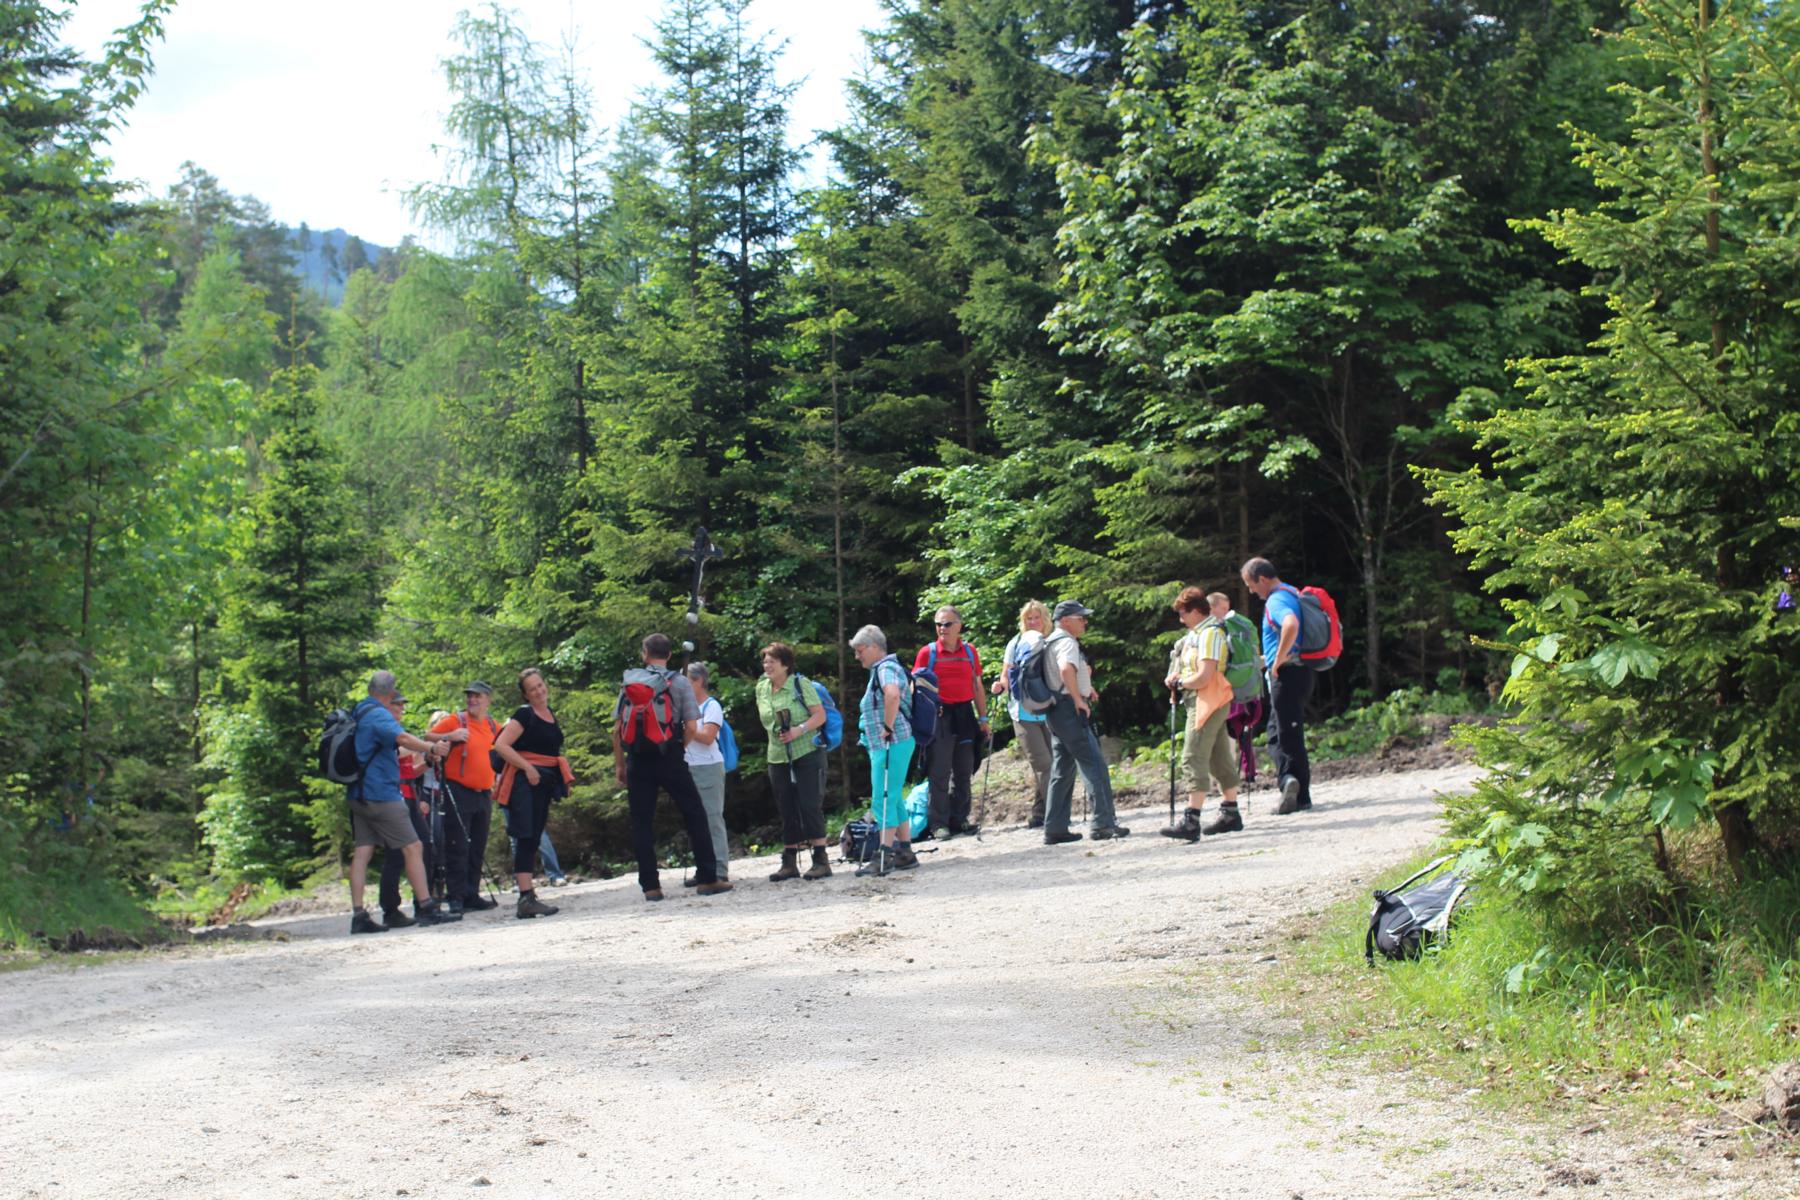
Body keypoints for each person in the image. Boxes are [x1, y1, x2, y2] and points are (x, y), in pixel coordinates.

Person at [611, 634, 732, 901]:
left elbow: (618, 729)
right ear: (668, 655)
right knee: (695, 814)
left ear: (644, 654)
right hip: (670, 756)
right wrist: (681, 748)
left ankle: (651, 886)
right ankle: (708, 878)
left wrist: (620, 764)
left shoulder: (630, 682)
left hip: (637, 759)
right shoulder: (679, 682)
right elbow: (691, 726)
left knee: (642, 822)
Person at [345, 671, 461, 933]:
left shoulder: (360, 710)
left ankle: (359, 915)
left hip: (358, 793)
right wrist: (431, 747)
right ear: (390, 692)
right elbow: (402, 739)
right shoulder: (378, 714)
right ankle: (427, 907)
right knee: (413, 846)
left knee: (363, 851)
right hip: (381, 793)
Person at [1039, 601, 1129, 844]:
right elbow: (1065, 670)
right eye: (1081, 618)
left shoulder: (1050, 641)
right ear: (1065, 620)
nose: (1085, 622)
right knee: (1094, 765)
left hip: (1055, 711)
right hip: (1069, 710)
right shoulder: (1066, 642)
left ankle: (1055, 828)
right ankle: (1103, 824)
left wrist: (1086, 688)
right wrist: (1079, 700)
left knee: (1062, 770)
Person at [1160, 586, 1245, 840]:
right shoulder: (1199, 634)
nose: (1181, 619)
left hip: (1207, 699)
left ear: (1196, 611)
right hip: (1208, 699)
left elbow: (1205, 676)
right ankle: (1230, 813)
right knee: (1219, 757)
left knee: (1193, 755)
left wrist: (1180, 683)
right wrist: (1179, 676)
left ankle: (1191, 820)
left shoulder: (1210, 634)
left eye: (1183, 613)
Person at [493, 667, 574, 918]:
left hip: (543, 781)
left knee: (534, 834)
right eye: (532, 689)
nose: (539, 691)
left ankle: (528, 898)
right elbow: (501, 745)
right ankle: (526, 898)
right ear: (525, 695)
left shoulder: (549, 713)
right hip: (525, 783)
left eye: (540, 685)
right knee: (526, 836)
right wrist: (527, 767)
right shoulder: (524, 714)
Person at [755, 642, 832, 881]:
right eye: (765, 661)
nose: (767, 665)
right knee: (786, 806)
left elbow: (820, 715)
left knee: (809, 804)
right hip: (777, 755)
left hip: (807, 751)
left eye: (772, 661)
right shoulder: (761, 688)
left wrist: (799, 730)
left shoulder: (800, 684)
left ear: (785, 664)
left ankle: (821, 859)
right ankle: (789, 862)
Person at [1241, 556, 1313, 814]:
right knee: (1276, 732)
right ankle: (1288, 782)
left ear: (1262, 579)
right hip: (1300, 671)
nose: (1252, 591)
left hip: (1289, 673)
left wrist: (1278, 660)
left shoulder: (1277, 599)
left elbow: (1291, 624)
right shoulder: (1292, 592)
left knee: (1288, 734)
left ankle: (1298, 794)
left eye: (1251, 585)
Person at [914, 605, 989, 839]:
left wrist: (983, 718)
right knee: (939, 770)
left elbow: (976, 686)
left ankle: (959, 819)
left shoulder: (970, 652)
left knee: (964, 769)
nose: (942, 628)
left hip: (965, 714)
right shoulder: (927, 653)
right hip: (939, 716)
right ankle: (938, 824)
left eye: (947, 624)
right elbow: (916, 688)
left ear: (959, 626)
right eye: (938, 624)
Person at [850, 625, 919, 875]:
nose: (857, 656)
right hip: (894, 743)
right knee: (895, 797)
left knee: (883, 798)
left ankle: (884, 856)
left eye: (860, 650)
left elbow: (892, 695)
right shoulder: (884, 668)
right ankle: (905, 852)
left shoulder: (885, 668)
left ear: (874, 647)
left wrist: (887, 727)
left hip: (891, 742)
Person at [429, 682, 503, 914]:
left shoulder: (493, 725)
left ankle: (471, 894)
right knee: (457, 845)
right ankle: (456, 896)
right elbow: (428, 736)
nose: (472, 700)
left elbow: (505, 746)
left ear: (488, 699)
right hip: (458, 791)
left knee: (477, 845)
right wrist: (450, 735)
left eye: (477, 696)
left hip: (484, 792)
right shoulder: (456, 720)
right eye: (470, 696)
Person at [991, 600, 1053, 828]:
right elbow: (1006, 674)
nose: (1033, 621)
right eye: (1029, 618)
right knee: (1044, 764)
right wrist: (1001, 685)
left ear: (1045, 619)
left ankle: (1039, 813)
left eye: (1037, 617)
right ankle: (1056, 813)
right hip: (1023, 712)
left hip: (1050, 711)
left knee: (1050, 764)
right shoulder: (1015, 643)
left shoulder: (1051, 641)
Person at [683, 662, 731, 886]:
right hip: (687, 766)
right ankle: (703, 868)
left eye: (686, 681)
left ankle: (719, 869)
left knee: (712, 818)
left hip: (708, 767)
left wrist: (687, 728)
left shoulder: (712, 706)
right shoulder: (684, 707)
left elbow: (708, 737)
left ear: (699, 681)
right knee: (694, 821)